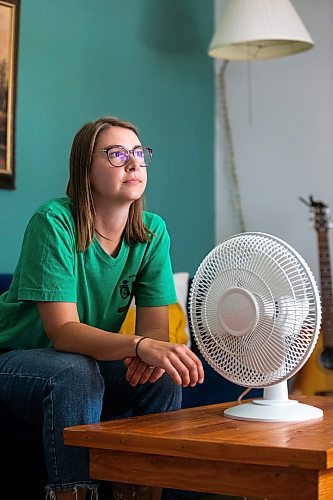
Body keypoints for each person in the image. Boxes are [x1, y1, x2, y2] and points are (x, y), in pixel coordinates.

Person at [0, 117, 204, 500]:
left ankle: (141, 491)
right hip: (15, 359)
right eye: (117, 154)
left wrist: (150, 351)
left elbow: (156, 334)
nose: (134, 164)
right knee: (74, 371)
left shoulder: (152, 231)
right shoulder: (54, 223)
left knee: (162, 376)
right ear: (85, 169)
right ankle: (73, 493)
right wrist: (138, 345)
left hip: (85, 361)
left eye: (139, 154)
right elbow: (63, 332)